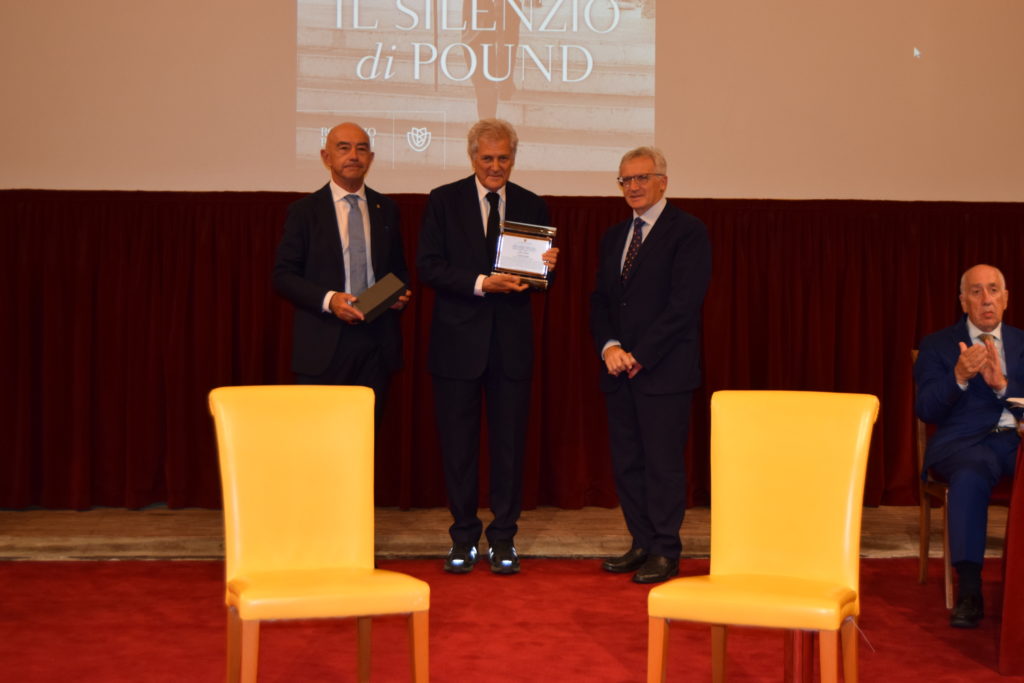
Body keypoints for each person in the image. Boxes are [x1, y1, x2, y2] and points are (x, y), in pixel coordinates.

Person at [416, 118, 558, 575]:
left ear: (513, 158)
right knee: (458, 449)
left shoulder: (533, 204)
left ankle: (503, 539)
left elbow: (539, 282)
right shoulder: (443, 200)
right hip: (456, 346)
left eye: (503, 158)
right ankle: (462, 538)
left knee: (509, 449)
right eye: (487, 158)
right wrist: (481, 282)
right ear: (472, 157)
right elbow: (428, 266)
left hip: (510, 348)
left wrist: (547, 267)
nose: (495, 166)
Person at [589, 146, 711, 584]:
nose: (633, 187)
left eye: (642, 178)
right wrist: (610, 347)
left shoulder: (689, 232)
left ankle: (664, 550)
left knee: (663, 465)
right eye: (626, 180)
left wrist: (640, 354)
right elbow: (601, 301)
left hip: (664, 372)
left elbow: (684, 306)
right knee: (628, 464)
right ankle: (640, 542)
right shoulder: (614, 236)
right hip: (618, 371)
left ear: (663, 182)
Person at [272, 122, 410, 416]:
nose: (354, 156)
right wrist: (330, 300)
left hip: (376, 342)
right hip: (323, 342)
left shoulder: (387, 209)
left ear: (370, 158)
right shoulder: (304, 211)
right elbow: (283, 276)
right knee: (318, 435)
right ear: (326, 157)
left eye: (361, 149)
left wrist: (397, 295)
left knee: (366, 434)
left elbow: (398, 271)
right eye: (344, 148)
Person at [914, 263, 1021, 628]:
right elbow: (926, 408)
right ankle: (970, 589)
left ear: (1006, 298)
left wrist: (1002, 386)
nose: (986, 299)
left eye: (993, 290)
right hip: (964, 445)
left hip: (1016, 440)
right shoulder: (937, 345)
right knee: (971, 474)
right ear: (963, 302)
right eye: (976, 292)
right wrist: (958, 377)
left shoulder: (1022, 343)